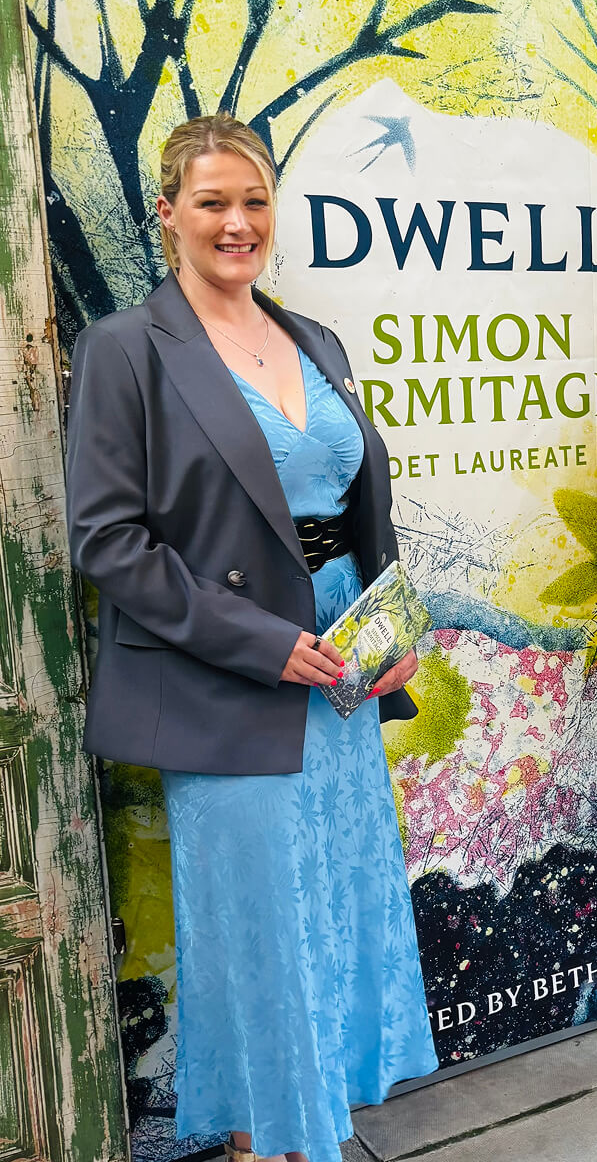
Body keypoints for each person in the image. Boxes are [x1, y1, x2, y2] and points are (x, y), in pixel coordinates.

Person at [66, 115, 438, 1162]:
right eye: (214, 201)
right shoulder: (125, 349)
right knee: (259, 931)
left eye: (255, 201)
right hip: (229, 673)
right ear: (169, 212)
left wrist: (391, 632)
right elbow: (107, 539)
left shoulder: (315, 339)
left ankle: (304, 1132)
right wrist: (262, 643)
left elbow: (359, 510)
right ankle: (260, 1144)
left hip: (340, 673)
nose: (237, 222)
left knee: (328, 906)